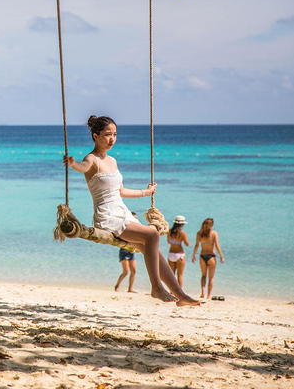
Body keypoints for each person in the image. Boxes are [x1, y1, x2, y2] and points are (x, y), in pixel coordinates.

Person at [64, 115, 199, 306]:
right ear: (95, 136)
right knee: (152, 235)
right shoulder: (91, 159)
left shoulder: (112, 161)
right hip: (107, 217)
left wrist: (146, 192)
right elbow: (82, 166)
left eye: (115, 134)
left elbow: (120, 191)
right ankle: (156, 288)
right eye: (107, 135)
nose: (112, 139)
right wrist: (72, 164)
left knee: (152, 249)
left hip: (122, 213)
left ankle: (180, 294)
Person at [191, 218, 224, 299]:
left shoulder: (199, 233)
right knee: (211, 277)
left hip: (202, 256)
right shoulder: (214, 233)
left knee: (203, 276)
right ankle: (208, 295)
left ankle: (203, 291)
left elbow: (196, 245)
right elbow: (217, 245)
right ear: (212, 225)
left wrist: (193, 255)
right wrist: (221, 256)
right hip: (211, 256)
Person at [115, 212, 138, 292]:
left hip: (132, 251)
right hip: (124, 250)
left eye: (136, 218)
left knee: (134, 271)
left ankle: (130, 289)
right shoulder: (125, 227)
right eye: (134, 218)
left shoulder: (137, 228)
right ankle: (117, 286)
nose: (135, 219)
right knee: (126, 272)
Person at [167, 215, 190, 288]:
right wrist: (180, 240)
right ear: (182, 224)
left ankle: (171, 290)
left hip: (171, 253)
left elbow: (169, 242)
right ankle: (180, 292)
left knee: (171, 274)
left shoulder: (169, 231)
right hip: (179, 254)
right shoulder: (182, 233)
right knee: (180, 275)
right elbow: (187, 244)